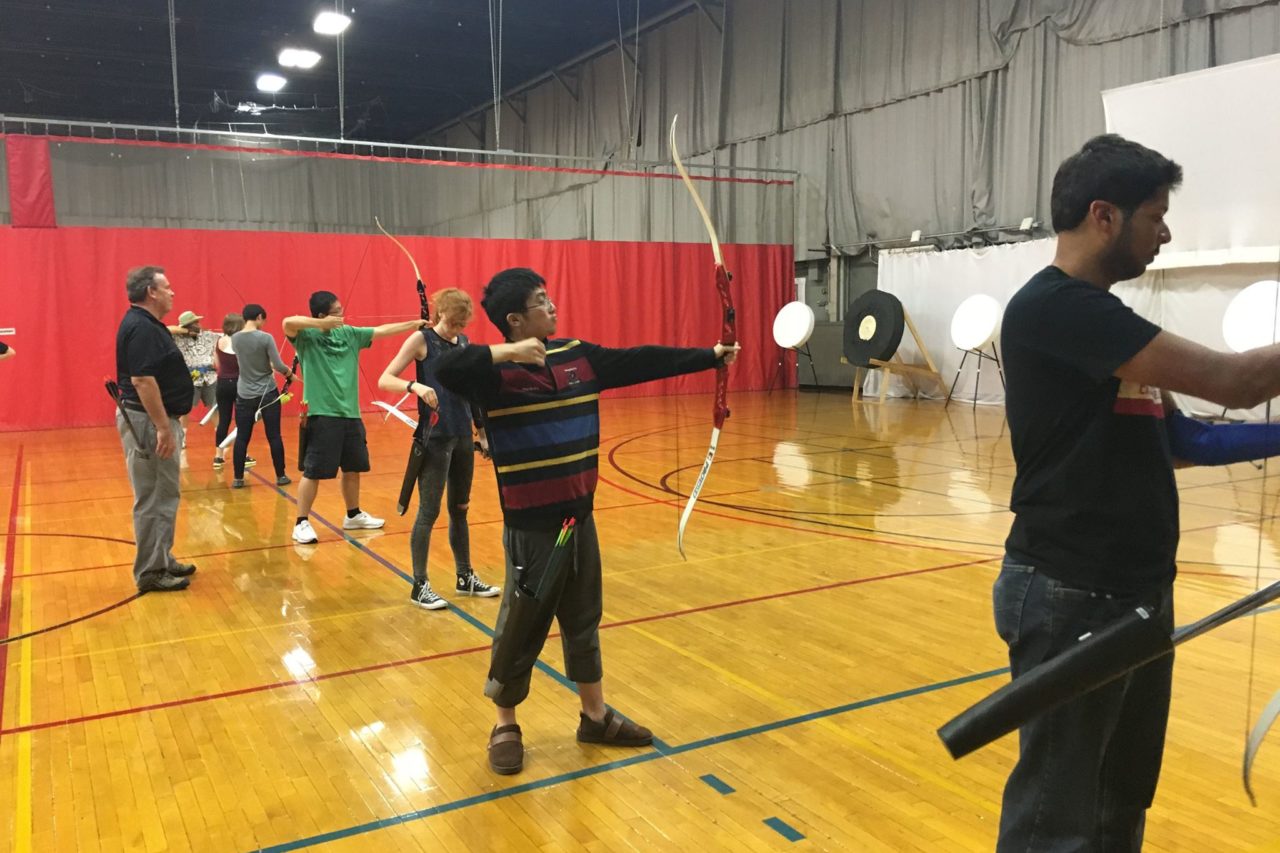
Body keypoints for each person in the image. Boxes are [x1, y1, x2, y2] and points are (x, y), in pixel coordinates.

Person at [996, 133, 1280, 851]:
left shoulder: (1112, 328)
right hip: (1070, 590)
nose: (1166, 230)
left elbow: (1186, 441)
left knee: (1119, 805)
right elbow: (1236, 381)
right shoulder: (1054, 309)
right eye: (1155, 214)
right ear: (1104, 216)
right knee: (1052, 822)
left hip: (1137, 591)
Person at [435, 267, 740, 776]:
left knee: (583, 617)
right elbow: (445, 369)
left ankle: (594, 716)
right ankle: (505, 722)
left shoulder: (576, 354)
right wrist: (509, 352)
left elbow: (637, 361)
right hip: (532, 525)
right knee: (521, 624)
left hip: (579, 517)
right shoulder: (491, 373)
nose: (552, 306)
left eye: (549, 298)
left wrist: (708, 356)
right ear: (514, 319)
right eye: (540, 301)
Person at [377, 287, 501, 609]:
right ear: (440, 313)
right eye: (453, 322)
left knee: (460, 509)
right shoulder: (422, 340)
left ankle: (465, 576)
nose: (458, 329)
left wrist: (482, 433)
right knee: (428, 512)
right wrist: (414, 385)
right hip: (434, 437)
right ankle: (420, 584)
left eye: (462, 324)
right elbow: (385, 378)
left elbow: (472, 391)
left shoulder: (464, 343)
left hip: (461, 436)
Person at [283, 291, 427, 545]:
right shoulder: (306, 337)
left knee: (353, 467)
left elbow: (381, 331)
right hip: (321, 413)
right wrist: (321, 325)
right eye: (336, 311)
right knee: (313, 471)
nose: (342, 314)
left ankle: (353, 514)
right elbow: (288, 322)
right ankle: (301, 522)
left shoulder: (349, 333)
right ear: (321, 315)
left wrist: (414, 325)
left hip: (350, 414)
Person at [114, 266, 197, 593]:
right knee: (152, 498)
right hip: (148, 423)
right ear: (151, 291)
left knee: (165, 494)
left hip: (150, 421)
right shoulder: (143, 328)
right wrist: (163, 427)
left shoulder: (146, 324)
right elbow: (142, 380)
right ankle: (151, 571)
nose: (172, 292)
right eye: (168, 286)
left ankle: (162, 557)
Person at [230, 304, 297, 489]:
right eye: (263, 320)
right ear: (259, 317)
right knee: (274, 435)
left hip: (244, 393)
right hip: (267, 393)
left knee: (242, 436)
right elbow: (277, 364)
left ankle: (238, 478)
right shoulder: (266, 338)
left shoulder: (234, 338)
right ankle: (281, 475)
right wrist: (290, 375)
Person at [169, 309, 220, 441]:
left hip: (210, 378)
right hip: (190, 379)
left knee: (215, 407)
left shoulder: (208, 335)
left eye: (198, 322)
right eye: (195, 323)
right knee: (185, 409)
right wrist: (185, 331)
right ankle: (182, 438)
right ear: (187, 326)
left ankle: (221, 435)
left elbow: (229, 336)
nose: (199, 324)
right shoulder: (177, 337)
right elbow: (165, 329)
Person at [212, 313, 243, 469]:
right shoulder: (243, 342)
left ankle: (218, 455)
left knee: (223, 420)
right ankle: (241, 453)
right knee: (241, 421)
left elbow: (215, 364)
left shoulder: (219, 341)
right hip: (240, 383)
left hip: (223, 383)